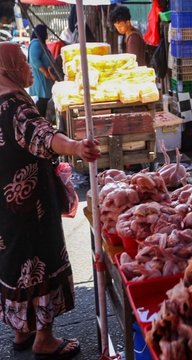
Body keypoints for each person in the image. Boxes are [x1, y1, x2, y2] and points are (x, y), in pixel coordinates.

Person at [0, 43, 100, 358]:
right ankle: (44, 338)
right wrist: (77, 147)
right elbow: (43, 136)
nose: (28, 67)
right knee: (40, 263)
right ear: (7, 69)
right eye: (21, 62)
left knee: (14, 264)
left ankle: (22, 332)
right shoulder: (16, 106)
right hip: (31, 208)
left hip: (5, 206)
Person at [28, 24, 55, 118]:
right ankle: (39, 119)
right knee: (43, 99)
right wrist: (46, 72)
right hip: (41, 78)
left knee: (45, 99)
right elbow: (34, 60)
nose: (47, 35)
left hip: (45, 78)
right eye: (46, 32)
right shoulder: (36, 43)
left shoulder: (39, 43)